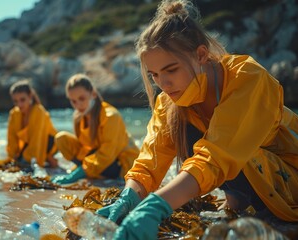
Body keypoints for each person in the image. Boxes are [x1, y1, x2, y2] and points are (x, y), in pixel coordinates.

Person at [96, 0, 298, 239]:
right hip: (249, 181)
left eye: (171, 70)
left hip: (289, 178)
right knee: (180, 125)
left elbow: (217, 153)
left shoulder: (248, 78)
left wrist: (156, 206)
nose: (163, 83)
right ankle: (239, 202)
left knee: (227, 145)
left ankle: (244, 205)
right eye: (155, 75)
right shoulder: (170, 102)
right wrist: (129, 196)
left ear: (201, 54)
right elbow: (151, 159)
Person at [52, 73, 140, 184]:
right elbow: (84, 148)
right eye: (73, 101)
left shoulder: (111, 116)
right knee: (61, 138)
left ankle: (91, 172)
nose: (78, 105)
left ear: (93, 94)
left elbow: (106, 155)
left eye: (82, 98)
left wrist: (74, 176)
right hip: (97, 158)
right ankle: (91, 172)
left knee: (100, 158)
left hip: (119, 163)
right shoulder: (79, 116)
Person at [6, 80, 58, 169]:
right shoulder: (14, 113)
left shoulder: (39, 111)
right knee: (15, 163)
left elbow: (38, 138)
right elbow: (11, 138)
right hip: (30, 143)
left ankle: (49, 158)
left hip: (50, 141)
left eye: (22, 100)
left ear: (30, 96)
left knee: (27, 164)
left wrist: (29, 159)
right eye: (15, 101)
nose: (19, 104)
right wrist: (12, 156)